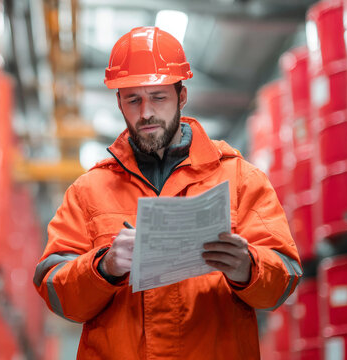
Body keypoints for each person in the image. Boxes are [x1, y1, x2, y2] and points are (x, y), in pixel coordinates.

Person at [33, 26, 302, 359]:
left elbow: (285, 280)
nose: (146, 112)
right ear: (119, 103)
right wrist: (104, 267)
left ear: (182, 96)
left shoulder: (240, 179)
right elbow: (56, 292)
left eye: (158, 97)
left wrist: (248, 268)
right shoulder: (89, 191)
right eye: (134, 99)